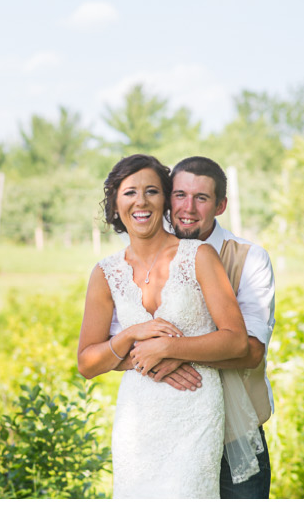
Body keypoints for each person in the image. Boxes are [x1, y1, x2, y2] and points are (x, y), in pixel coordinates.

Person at [76, 154, 256, 498]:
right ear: (115, 203)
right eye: (129, 193)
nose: (141, 202)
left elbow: (237, 343)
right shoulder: (105, 273)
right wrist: (131, 335)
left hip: (195, 410)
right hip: (136, 423)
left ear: (165, 200)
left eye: (152, 192)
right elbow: (87, 363)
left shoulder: (199, 256)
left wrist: (168, 348)